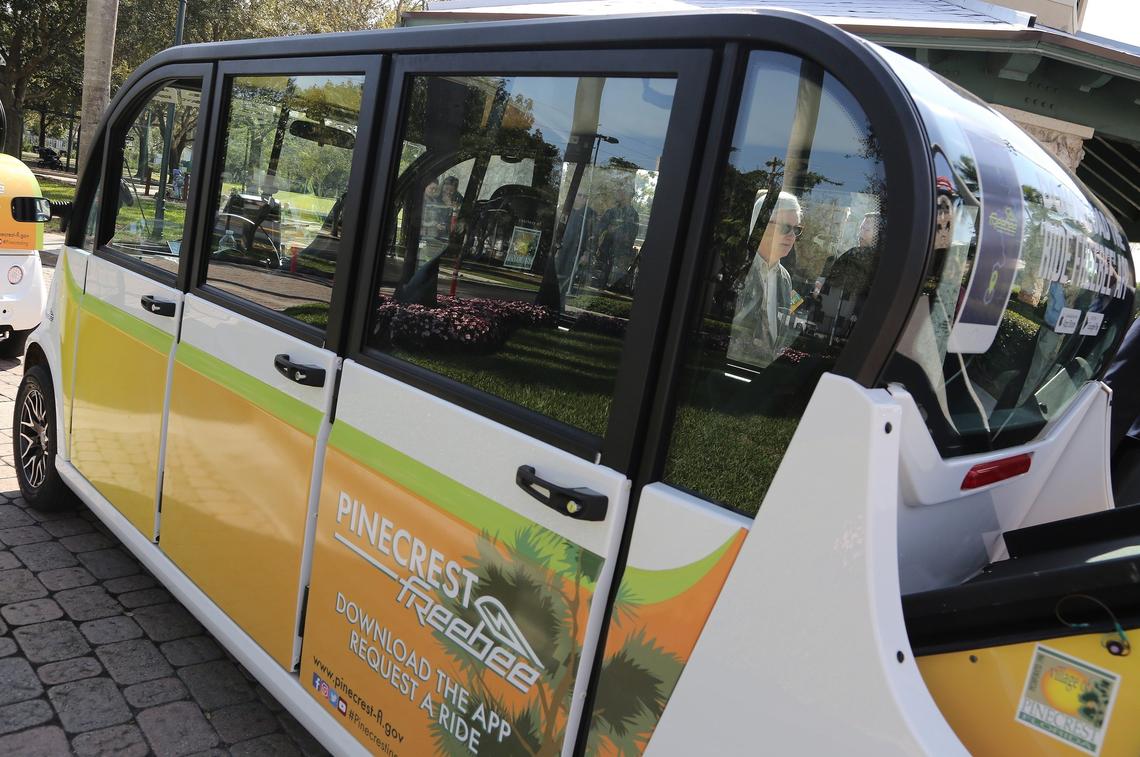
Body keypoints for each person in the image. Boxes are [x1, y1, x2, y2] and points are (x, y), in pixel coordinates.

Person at [727, 190, 805, 368]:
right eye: (785, 227)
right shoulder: (737, 267)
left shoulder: (785, 278)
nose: (792, 235)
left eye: (797, 229)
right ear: (760, 226)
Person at [595, 182, 640, 290]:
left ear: (629, 195)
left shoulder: (633, 215)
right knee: (599, 286)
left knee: (613, 288)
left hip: (619, 260)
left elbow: (630, 238)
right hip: (604, 256)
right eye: (620, 191)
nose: (620, 193)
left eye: (623, 191)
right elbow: (598, 230)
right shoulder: (611, 212)